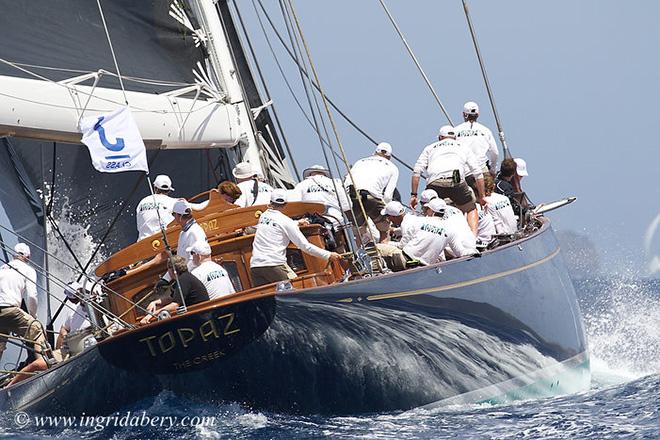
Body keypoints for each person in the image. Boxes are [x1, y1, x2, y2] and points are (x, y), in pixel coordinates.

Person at [250, 189, 342, 286]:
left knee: (265, 299)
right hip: (274, 265)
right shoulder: (286, 221)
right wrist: (328, 255)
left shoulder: (263, 216)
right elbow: (305, 246)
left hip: (255, 266)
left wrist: (297, 223)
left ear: (270, 202)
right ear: (286, 204)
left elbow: (277, 225)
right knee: (296, 288)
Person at [410, 125, 485, 236]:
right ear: (454, 138)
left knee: (430, 208)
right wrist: (482, 196)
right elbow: (478, 173)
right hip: (455, 180)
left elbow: (417, 171)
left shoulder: (430, 148)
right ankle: (472, 238)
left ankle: (427, 236)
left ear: (440, 138)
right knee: (470, 208)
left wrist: (414, 195)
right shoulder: (462, 146)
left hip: (435, 182)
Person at [0, 243, 48, 385]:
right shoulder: (27, 269)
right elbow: (32, 296)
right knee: (37, 329)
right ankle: (42, 362)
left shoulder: (2, 269)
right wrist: (33, 317)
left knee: (0, 344)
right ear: (27, 257)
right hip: (10, 309)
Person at [344, 142, 399, 242]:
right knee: (384, 230)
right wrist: (385, 213)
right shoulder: (393, 168)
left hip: (353, 197)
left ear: (374, 152)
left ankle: (359, 255)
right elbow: (387, 196)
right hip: (372, 197)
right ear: (389, 157)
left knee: (359, 233)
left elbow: (346, 183)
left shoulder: (360, 162)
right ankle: (384, 254)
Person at [402, 199, 476, 266]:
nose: (426, 211)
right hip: (422, 265)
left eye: (427, 209)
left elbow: (404, 242)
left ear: (432, 211)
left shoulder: (420, 221)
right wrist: (474, 252)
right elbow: (461, 252)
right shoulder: (450, 230)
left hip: (406, 259)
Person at [141, 256, 209, 324]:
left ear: (172, 270)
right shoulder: (185, 277)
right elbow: (173, 298)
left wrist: (152, 315)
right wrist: (155, 302)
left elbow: (175, 305)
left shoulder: (183, 280)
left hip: (200, 317)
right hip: (199, 316)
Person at [454, 101, 499, 176]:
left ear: (464, 114)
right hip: (481, 171)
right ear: (478, 114)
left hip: (463, 172)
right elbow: (495, 153)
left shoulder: (455, 131)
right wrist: (493, 169)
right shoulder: (486, 131)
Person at [375, 201, 421, 271]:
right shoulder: (412, 218)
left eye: (388, 216)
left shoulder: (405, 225)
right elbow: (410, 231)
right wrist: (394, 230)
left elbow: (402, 246)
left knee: (378, 247)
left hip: (415, 262)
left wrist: (387, 243)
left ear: (393, 216)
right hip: (422, 257)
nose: (388, 219)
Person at [135, 174, 177, 240]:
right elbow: (196, 209)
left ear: (154, 187)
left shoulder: (142, 202)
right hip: (162, 243)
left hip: (142, 243)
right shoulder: (174, 202)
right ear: (169, 190)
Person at [55, 282, 92, 350]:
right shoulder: (72, 310)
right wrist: (64, 335)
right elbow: (64, 329)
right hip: (76, 346)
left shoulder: (97, 304)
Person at [172, 200, 208, 264]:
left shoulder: (195, 232)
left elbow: (196, 259)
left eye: (173, 214)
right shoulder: (184, 232)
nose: (174, 217)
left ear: (179, 216)